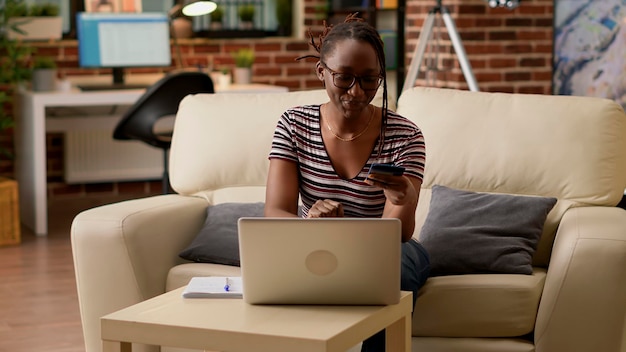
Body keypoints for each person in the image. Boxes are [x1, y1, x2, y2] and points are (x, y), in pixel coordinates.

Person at [264, 14, 430, 352]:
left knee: (388, 272)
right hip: (316, 244)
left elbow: (397, 235)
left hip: (388, 251)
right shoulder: (294, 125)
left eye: (370, 81)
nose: (357, 92)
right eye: (344, 78)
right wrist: (311, 225)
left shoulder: (405, 135)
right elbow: (275, 212)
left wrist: (403, 199)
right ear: (321, 71)